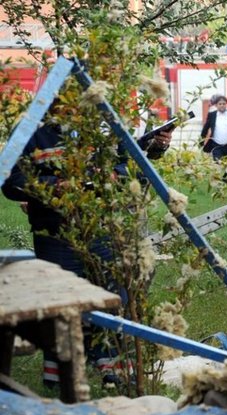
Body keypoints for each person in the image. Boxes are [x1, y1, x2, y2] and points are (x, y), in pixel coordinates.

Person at [1, 117, 174, 388]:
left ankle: (111, 368)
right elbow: (11, 181)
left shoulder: (104, 127)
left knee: (112, 297)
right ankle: (62, 375)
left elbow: (131, 167)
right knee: (61, 303)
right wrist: (56, 186)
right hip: (56, 232)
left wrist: (123, 169)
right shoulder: (33, 130)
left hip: (103, 228)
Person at [200, 95, 227, 160]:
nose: (222, 105)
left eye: (224, 104)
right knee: (218, 163)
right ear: (216, 105)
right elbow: (205, 128)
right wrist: (201, 140)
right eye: (220, 104)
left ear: (226, 104)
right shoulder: (212, 115)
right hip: (216, 145)